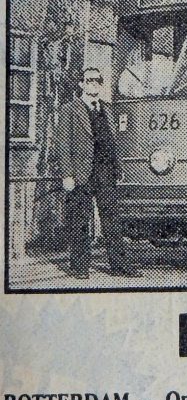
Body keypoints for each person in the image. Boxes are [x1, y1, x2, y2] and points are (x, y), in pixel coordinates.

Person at [56, 67, 137, 279]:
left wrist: (117, 167)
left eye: (97, 80)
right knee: (80, 221)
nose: (94, 83)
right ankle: (80, 268)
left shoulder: (107, 109)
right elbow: (63, 144)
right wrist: (67, 174)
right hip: (80, 173)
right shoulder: (69, 109)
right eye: (89, 80)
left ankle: (119, 266)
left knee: (111, 219)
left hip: (105, 171)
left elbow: (112, 141)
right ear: (81, 84)